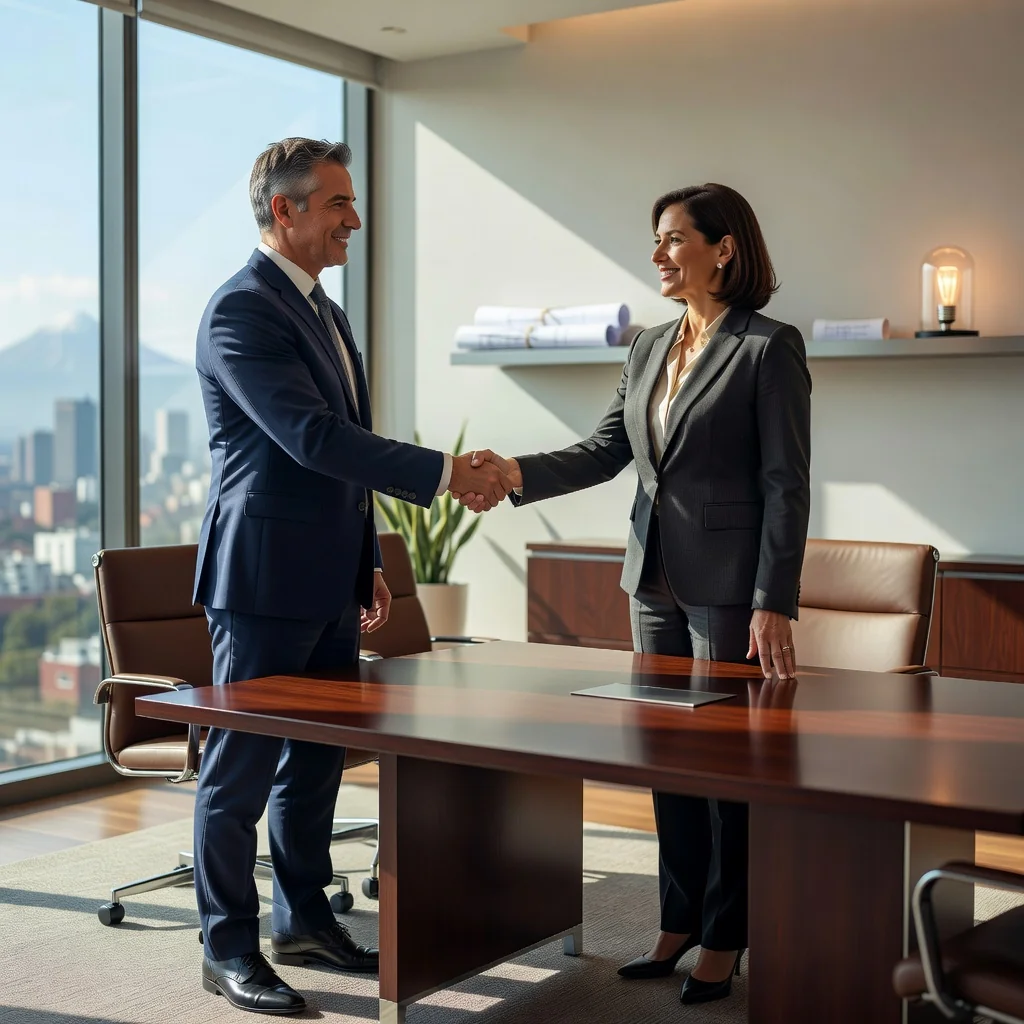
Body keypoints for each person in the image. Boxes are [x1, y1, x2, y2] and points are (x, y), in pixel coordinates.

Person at [454, 182, 811, 1007]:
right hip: (650, 580)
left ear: (723, 248)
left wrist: (774, 597)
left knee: (728, 769)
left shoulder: (767, 347)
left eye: (674, 238)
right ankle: (678, 919)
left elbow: (786, 484)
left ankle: (727, 933)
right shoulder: (649, 344)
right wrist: (514, 476)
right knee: (670, 762)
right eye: (655, 239)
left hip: (730, 590)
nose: (657, 253)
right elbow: (606, 449)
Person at [192, 137, 512, 1016]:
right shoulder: (241, 312)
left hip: (330, 573)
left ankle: (301, 921)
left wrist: (367, 557)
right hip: (260, 581)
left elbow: (339, 459)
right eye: (337, 204)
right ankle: (226, 948)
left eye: (352, 203)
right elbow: (311, 440)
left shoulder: (323, 311)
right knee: (241, 771)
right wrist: (449, 474)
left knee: (316, 765)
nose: (354, 221)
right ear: (284, 210)